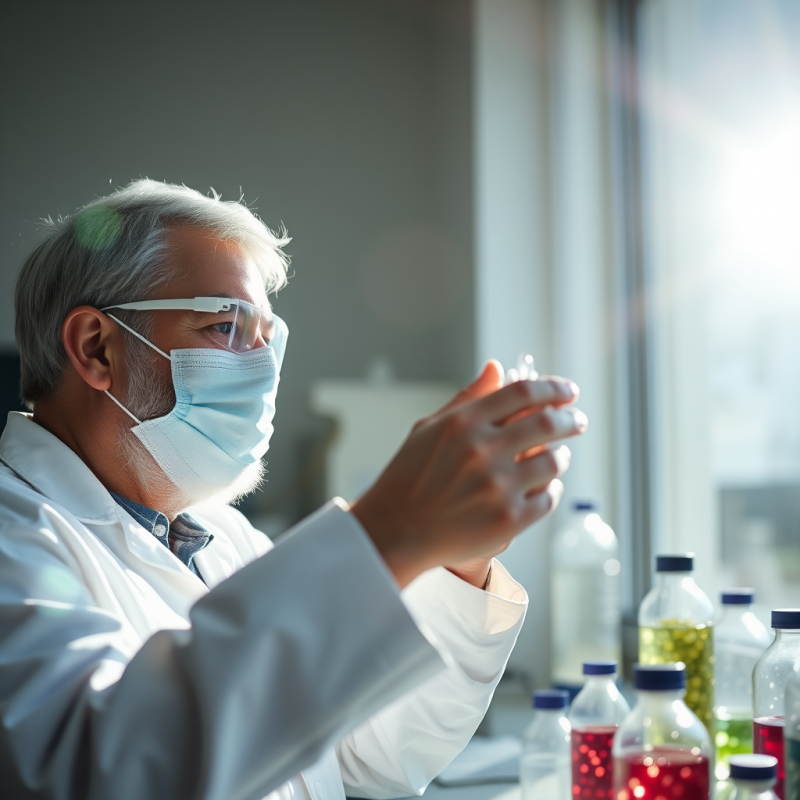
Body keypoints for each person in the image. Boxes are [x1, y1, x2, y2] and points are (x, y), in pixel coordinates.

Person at [0, 180, 587, 800]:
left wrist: (460, 560)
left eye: (267, 336)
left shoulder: (222, 538)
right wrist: (387, 532)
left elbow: (372, 758)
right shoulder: (17, 540)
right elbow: (98, 775)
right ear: (97, 348)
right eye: (224, 325)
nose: (261, 365)